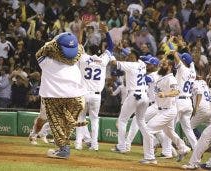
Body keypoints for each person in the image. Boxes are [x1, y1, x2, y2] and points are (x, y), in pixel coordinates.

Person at [35, 32, 86, 159]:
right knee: (67, 125)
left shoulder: (46, 61)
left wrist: (54, 41)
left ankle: (64, 149)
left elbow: (40, 52)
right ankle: (64, 147)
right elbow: (80, 47)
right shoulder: (78, 59)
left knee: (57, 123)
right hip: (77, 97)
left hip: (54, 97)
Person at [140, 57, 191, 164]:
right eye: (161, 64)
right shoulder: (161, 76)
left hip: (168, 110)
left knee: (148, 129)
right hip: (163, 110)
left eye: (164, 64)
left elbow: (176, 91)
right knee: (169, 132)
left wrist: (165, 94)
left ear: (170, 67)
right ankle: (183, 148)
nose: (161, 66)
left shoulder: (171, 78)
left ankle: (150, 158)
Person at [75, 23, 116, 151]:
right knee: (94, 120)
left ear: (89, 51)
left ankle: (78, 144)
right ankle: (95, 145)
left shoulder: (83, 58)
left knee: (80, 118)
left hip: (83, 94)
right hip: (96, 96)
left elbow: (78, 45)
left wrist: (81, 29)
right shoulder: (103, 60)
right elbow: (111, 47)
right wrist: (107, 32)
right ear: (99, 52)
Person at [110, 49, 152, 159]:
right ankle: (150, 145)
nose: (128, 57)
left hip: (134, 95)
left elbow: (114, 63)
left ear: (134, 57)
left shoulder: (131, 65)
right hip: (144, 96)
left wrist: (110, 54)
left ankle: (121, 146)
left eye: (130, 56)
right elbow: (135, 58)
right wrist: (124, 51)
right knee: (141, 122)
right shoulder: (142, 64)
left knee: (122, 120)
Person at [173, 51, 198, 150]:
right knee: (188, 129)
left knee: (170, 126)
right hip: (188, 103)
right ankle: (196, 148)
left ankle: (170, 150)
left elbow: (176, 56)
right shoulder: (193, 71)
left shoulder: (183, 69)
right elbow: (190, 62)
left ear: (183, 61)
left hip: (179, 101)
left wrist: (173, 50)